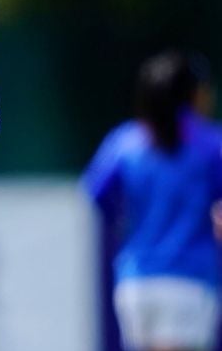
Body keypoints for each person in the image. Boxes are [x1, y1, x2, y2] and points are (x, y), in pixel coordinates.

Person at [83, 50, 222, 351]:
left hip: (136, 280)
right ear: (193, 93)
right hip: (190, 280)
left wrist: (123, 222)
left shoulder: (125, 141)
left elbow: (95, 191)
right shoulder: (209, 144)